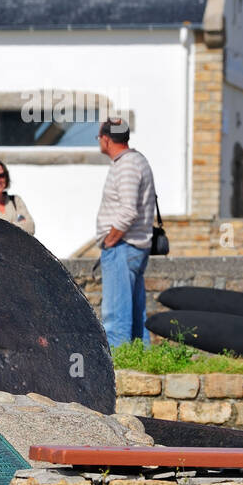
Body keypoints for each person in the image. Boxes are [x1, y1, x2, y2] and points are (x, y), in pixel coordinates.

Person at [95, 118, 156, 347]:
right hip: (130, 247)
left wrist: (109, 241)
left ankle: (119, 374)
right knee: (136, 320)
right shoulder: (135, 161)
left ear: (106, 139)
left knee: (115, 320)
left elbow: (128, 210)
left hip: (122, 247)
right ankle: (142, 366)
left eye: (99, 137)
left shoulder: (127, 165)